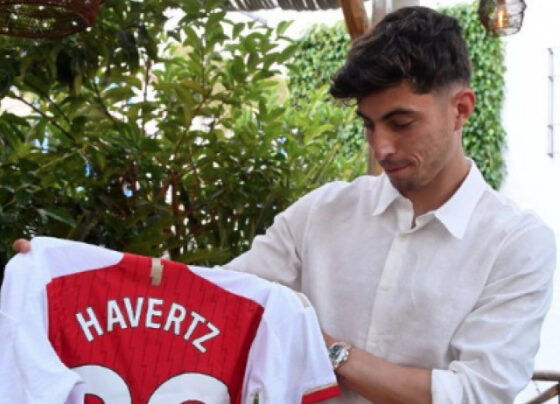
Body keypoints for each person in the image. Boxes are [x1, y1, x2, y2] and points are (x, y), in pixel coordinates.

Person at [11, 6, 556, 404]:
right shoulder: (323, 213)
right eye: (369, 125)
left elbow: (476, 394)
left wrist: (327, 351)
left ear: (461, 109)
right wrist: (72, 275)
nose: (382, 147)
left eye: (401, 122)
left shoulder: (517, 244)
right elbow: (215, 299)